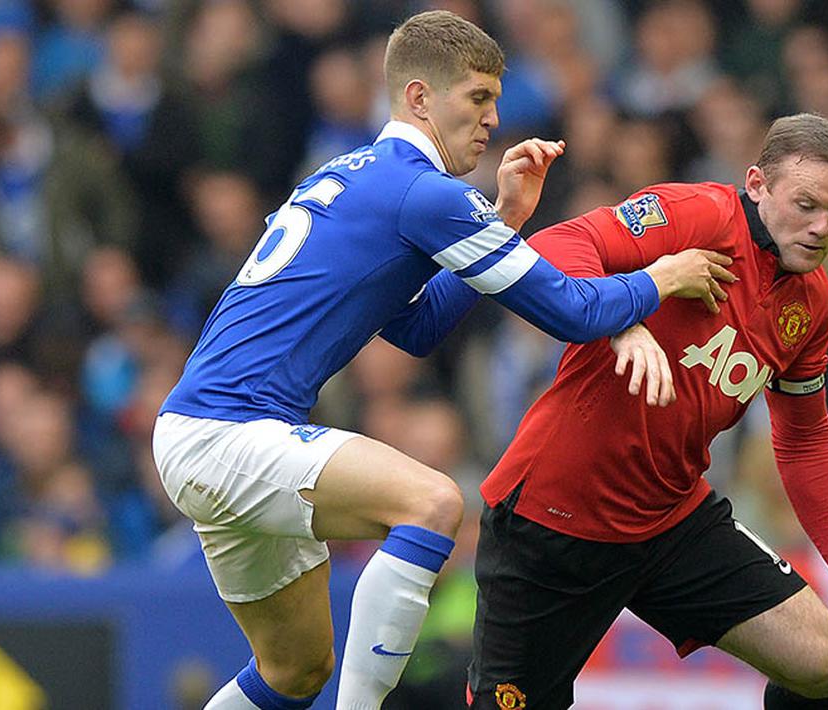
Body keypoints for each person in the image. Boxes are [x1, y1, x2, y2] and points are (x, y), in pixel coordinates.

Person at [151, 11, 733, 710]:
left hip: (205, 434)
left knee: (293, 672)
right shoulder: (426, 194)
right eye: (477, 99)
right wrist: (660, 277)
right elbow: (573, 312)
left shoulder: (351, 175)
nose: (492, 119)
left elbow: (417, 327)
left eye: (495, 99)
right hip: (229, 434)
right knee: (432, 504)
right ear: (420, 98)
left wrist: (504, 218)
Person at [466, 113, 828, 708]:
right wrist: (623, 315)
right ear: (757, 184)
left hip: (670, 519)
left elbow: (803, 441)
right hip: (553, 519)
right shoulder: (698, 215)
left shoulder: (813, 301)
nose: (822, 228)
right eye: (806, 205)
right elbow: (553, 244)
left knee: (823, 666)